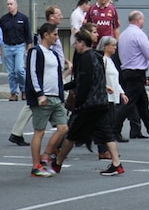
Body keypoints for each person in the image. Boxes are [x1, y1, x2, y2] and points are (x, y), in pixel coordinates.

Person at [54, 29, 124, 176]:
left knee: (72, 134)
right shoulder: (97, 56)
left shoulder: (85, 58)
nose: (75, 46)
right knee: (107, 134)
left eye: (76, 43)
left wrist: (78, 103)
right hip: (101, 102)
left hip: (88, 105)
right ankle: (117, 164)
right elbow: (96, 79)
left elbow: (83, 83)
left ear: (82, 42)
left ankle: (58, 163)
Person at [8, 5, 67, 146]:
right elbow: (37, 65)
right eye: (58, 14)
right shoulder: (45, 37)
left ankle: (17, 133)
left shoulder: (54, 33)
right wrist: (39, 92)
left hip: (54, 74)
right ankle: (18, 134)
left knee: (39, 109)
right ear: (51, 17)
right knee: (33, 109)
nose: (61, 16)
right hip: (44, 82)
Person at [113, 11, 149, 142]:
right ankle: (114, 130)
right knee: (128, 104)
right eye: (143, 19)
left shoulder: (124, 34)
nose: (144, 22)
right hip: (136, 72)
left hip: (127, 71)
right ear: (138, 20)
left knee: (143, 104)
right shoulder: (139, 34)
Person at [26, 22, 69, 177]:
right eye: (55, 34)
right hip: (42, 97)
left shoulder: (54, 54)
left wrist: (61, 94)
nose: (57, 38)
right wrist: (39, 94)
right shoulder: (36, 51)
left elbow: (57, 76)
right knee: (40, 131)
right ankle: (36, 166)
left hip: (55, 97)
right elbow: (32, 73)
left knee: (63, 127)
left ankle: (46, 155)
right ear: (46, 35)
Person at [96, 36, 128, 159]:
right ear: (105, 47)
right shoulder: (102, 60)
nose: (115, 48)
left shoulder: (110, 60)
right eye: (113, 45)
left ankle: (104, 149)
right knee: (105, 125)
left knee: (108, 123)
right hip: (105, 97)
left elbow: (115, 80)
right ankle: (103, 150)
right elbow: (99, 77)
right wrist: (104, 87)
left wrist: (121, 93)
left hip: (112, 97)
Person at [0, 0, 31, 101]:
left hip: (20, 46)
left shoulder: (23, 18)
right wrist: (0, 48)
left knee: (20, 70)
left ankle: (24, 90)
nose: (9, 6)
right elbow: (0, 35)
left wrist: (29, 47)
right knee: (11, 72)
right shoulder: (4, 19)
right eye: (8, 4)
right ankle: (13, 93)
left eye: (11, 4)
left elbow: (28, 33)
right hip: (8, 46)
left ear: (16, 5)